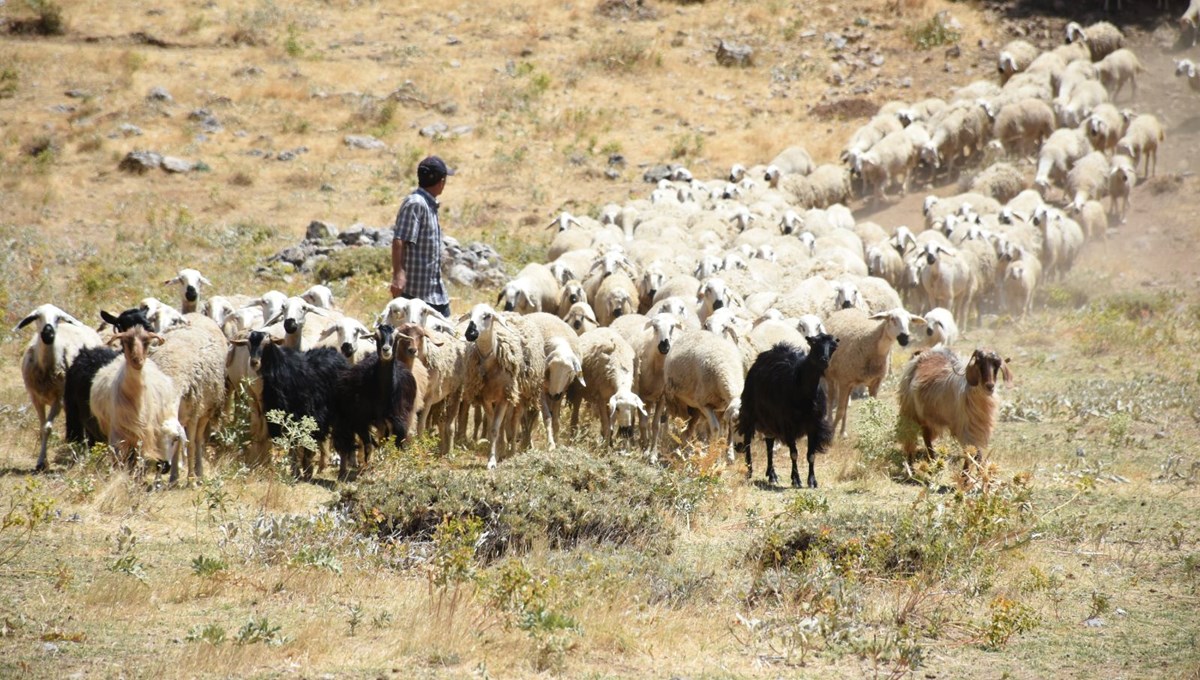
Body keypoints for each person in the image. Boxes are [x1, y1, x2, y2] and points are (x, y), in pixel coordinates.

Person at [390, 155, 455, 317]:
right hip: (415, 292)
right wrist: (398, 275)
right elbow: (399, 240)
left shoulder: (428, 204)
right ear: (441, 181)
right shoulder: (416, 203)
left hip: (432, 290)